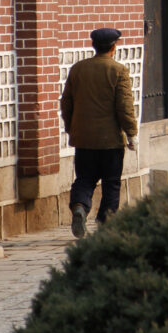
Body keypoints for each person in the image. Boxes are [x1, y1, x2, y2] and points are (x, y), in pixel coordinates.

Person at [60, 27, 138, 238]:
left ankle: (80, 207)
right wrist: (131, 133)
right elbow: (124, 106)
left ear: (94, 46)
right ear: (114, 46)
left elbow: (66, 103)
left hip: (84, 139)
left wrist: (71, 128)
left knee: (84, 178)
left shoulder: (78, 69)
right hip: (110, 141)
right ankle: (106, 225)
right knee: (111, 183)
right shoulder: (118, 71)